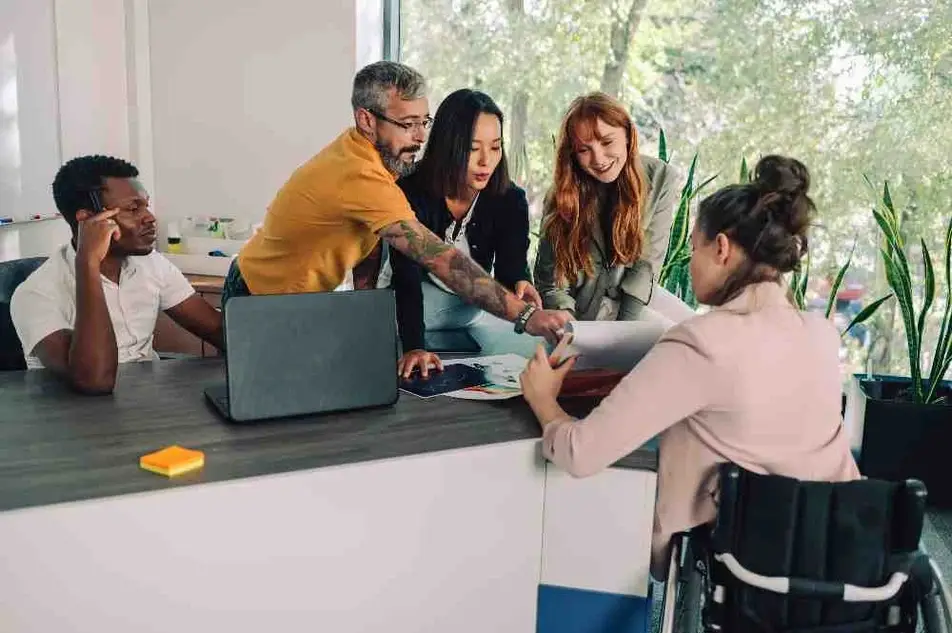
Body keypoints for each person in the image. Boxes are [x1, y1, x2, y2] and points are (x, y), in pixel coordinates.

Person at [519, 155, 860, 579]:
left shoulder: (701, 342)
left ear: (720, 248)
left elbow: (581, 453)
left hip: (747, 570)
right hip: (841, 556)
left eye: (694, 247)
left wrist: (543, 400)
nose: (692, 262)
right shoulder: (822, 334)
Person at [226, 61, 570, 359]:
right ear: (367, 120)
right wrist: (526, 317)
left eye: (424, 122)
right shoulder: (362, 175)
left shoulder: (376, 160)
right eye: (408, 124)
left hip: (296, 298)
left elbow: (366, 244)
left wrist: (366, 309)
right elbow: (439, 258)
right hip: (259, 297)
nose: (420, 137)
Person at [10, 155, 224, 394]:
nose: (150, 218)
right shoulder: (35, 294)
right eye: (133, 209)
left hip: (146, 404)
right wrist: (88, 264)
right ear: (87, 219)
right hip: (74, 420)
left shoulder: (151, 264)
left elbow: (219, 331)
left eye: (146, 205)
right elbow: (95, 380)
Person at [389, 88, 542, 377]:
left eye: (495, 147)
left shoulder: (511, 199)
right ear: (450, 147)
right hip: (414, 294)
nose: (486, 161)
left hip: (474, 300)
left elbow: (510, 270)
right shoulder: (410, 189)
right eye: (473, 149)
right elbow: (405, 278)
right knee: (384, 317)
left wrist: (521, 282)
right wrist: (414, 347)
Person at [534, 92, 682, 322]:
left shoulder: (661, 177)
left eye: (607, 142)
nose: (598, 159)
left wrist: (623, 332)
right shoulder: (562, 195)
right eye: (584, 150)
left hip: (634, 307)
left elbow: (646, 265)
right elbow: (551, 282)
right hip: (579, 313)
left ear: (628, 135)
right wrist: (568, 327)